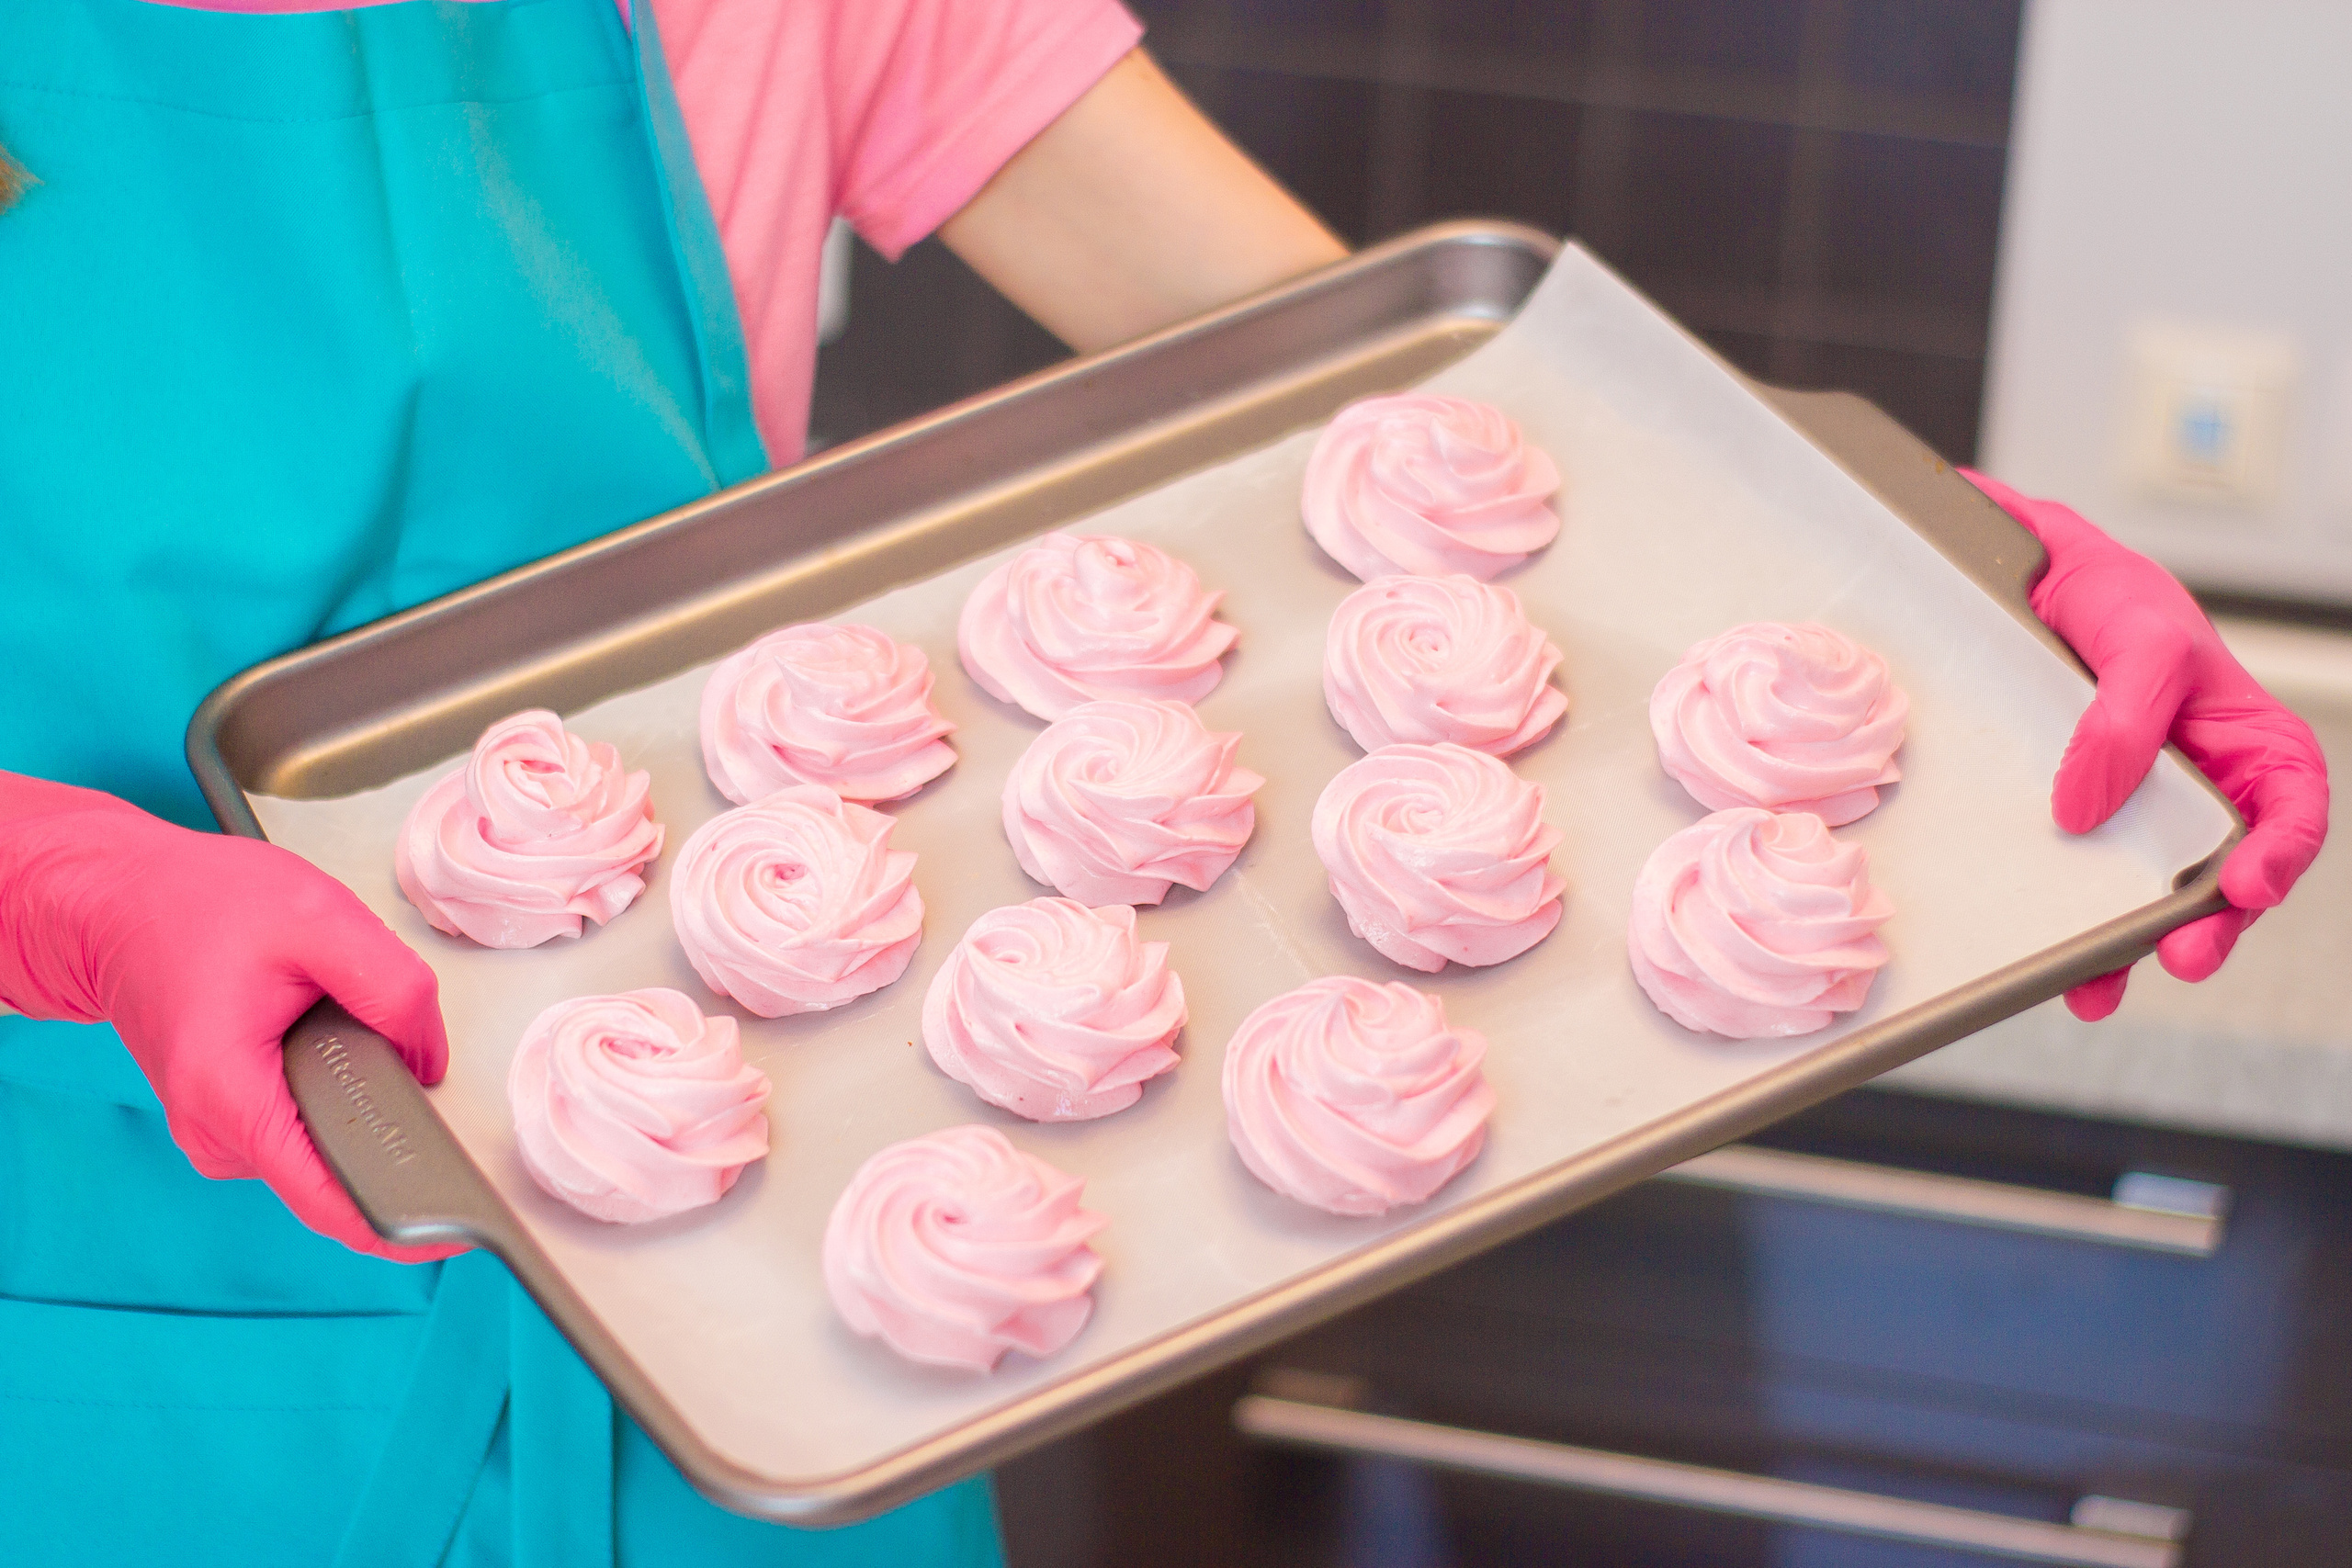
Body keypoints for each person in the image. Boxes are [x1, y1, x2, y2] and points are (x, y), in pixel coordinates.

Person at [0, 2, 2327, 1564]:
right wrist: (82, 893)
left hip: (760, 1322)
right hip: (94, 1330)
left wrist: (1932, 563)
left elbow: (1383, 403)